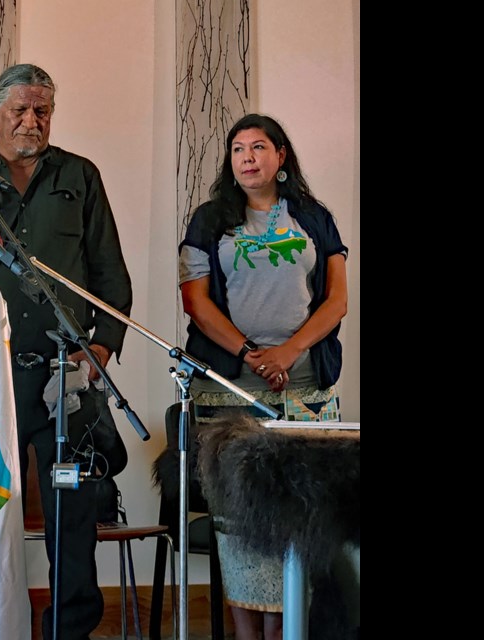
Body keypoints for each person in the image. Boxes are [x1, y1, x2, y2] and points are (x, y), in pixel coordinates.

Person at [0, 63, 133, 640]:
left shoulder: (79, 176)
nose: (30, 120)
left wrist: (100, 351)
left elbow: (111, 277)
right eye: (19, 109)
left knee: (74, 513)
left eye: (41, 110)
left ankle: (69, 630)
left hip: (64, 377)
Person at [178, 113, 348, 640]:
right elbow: (196, 304)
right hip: (227, 392)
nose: (247, 157)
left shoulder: (314, 218)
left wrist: (289, 351)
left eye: (258, 147)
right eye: (237, 149)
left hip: (306, 394)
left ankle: (289, 632)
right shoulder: (209, 220)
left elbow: (337, 300)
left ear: (280, 157)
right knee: (238, 526)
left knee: (299, 525)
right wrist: (252, 354)